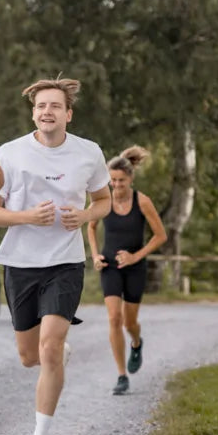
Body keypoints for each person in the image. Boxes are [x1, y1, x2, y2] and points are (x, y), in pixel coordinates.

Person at [0, 77, 110, 435]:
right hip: (20, 263)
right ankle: (53, 353)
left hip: (65, 263)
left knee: (50, 347)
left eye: (55, 106)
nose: (47, 112)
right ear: (33, 113)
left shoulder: (88, 153)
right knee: (28, 356)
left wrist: (85, 214)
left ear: (68, 114)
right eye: (41, 107)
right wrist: (27, 217)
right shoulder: (10, 153)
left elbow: (103, 201)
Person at [86, 146, 167, 395]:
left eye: (121, 180)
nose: (116, 185)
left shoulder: (142, 201)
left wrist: (135, 257)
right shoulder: (103, 200)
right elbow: (90, 227)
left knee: (130, 322)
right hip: (110, 266)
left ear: (130, 178)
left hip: (134, 268)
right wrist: (96, 255)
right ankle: (121, 375)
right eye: (112, 180)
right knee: (114, 318)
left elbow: (160, 236)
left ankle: (136, 342)